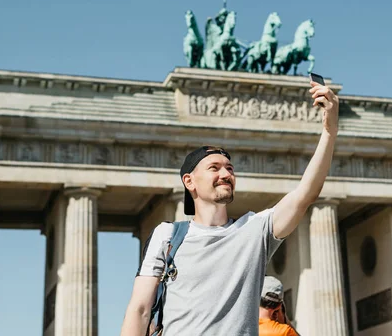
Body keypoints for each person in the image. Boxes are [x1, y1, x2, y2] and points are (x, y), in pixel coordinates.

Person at [120, 79, 339, 336]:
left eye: (230, 169)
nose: (226, 173)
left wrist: (329, 132)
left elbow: (305, 194)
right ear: (189, 181)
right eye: (214, 168)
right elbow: (140, 310)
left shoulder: (254, 230)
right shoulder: (167, 236)